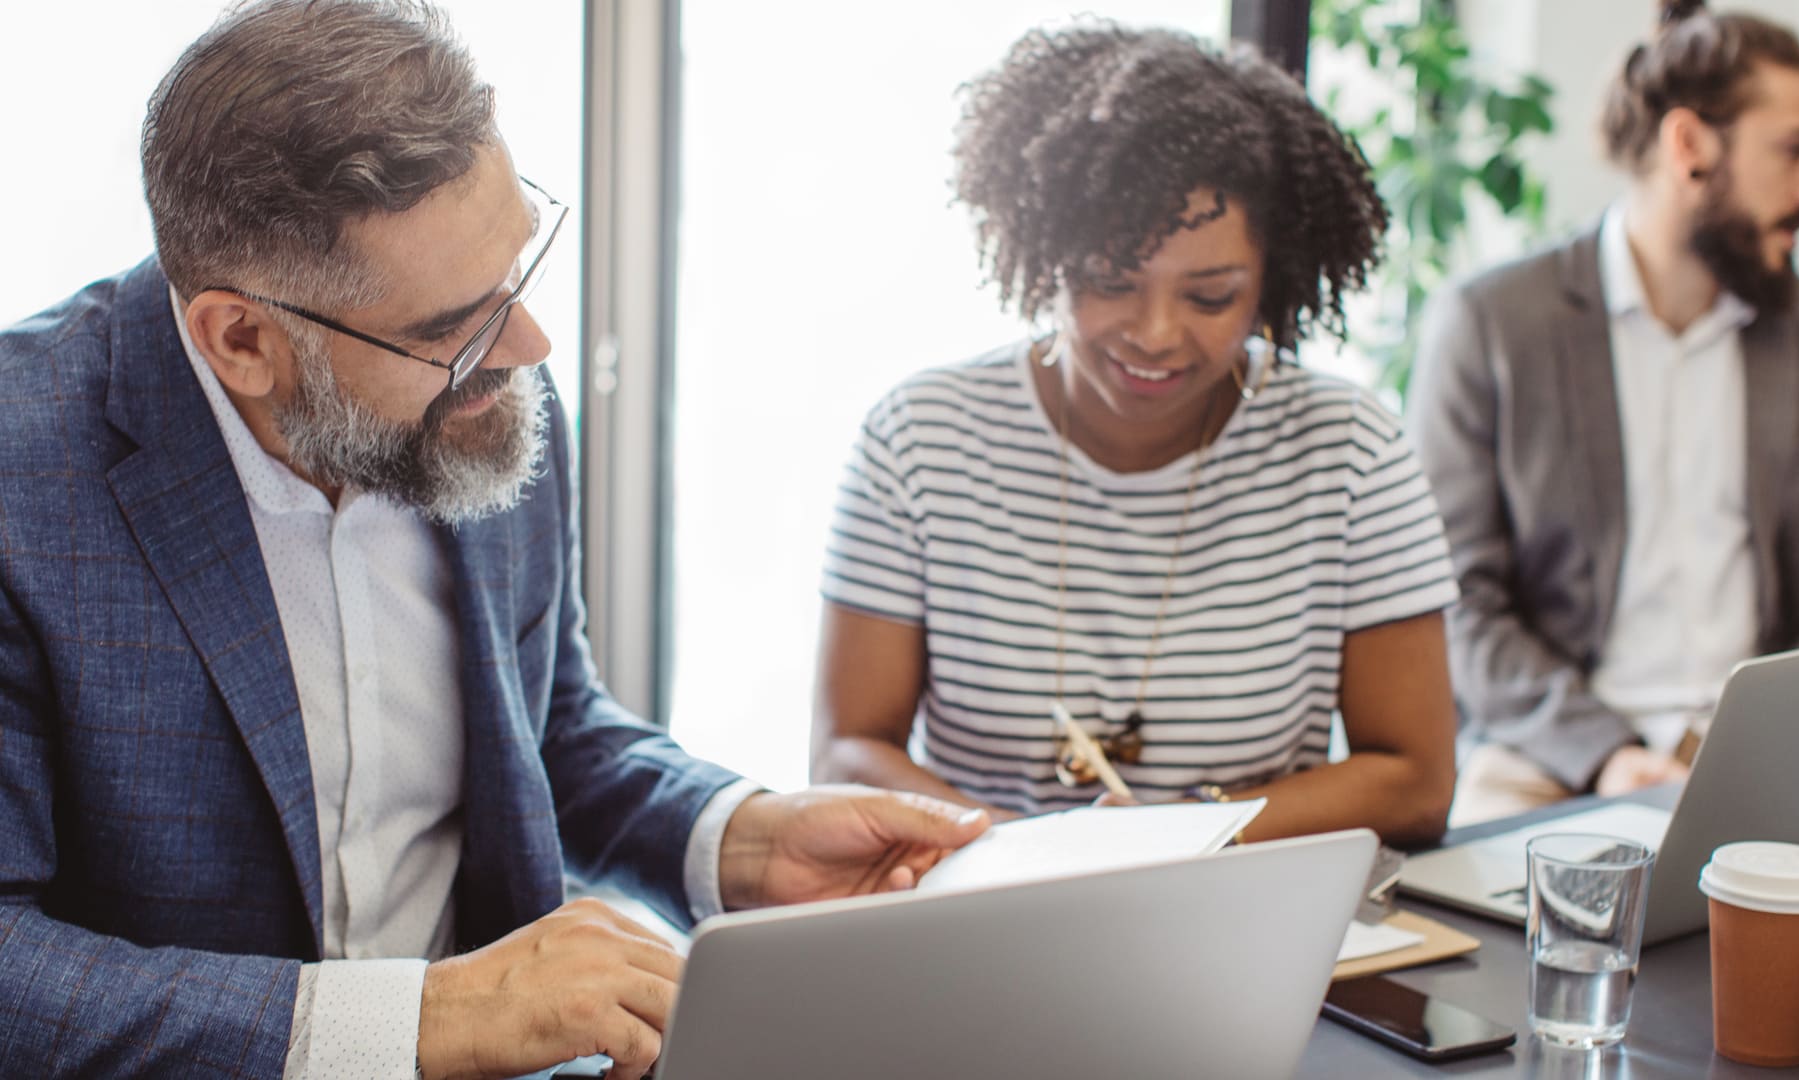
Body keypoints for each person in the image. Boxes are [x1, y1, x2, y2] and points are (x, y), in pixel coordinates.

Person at [0, 3, 989, 1077]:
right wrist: (425, 1020)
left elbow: (547, 727)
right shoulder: (21, 473)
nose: (528, 343)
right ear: (242, 338)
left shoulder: (486, 391)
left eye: (518, 266)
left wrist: (740, 837)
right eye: (447, 327)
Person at [811, 23, 1460, 849]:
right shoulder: (918, 439)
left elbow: (1416, 781)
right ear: (1046, 255)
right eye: (1111, 283)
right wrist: (1025, 855)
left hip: (1240, 919)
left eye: (1211, 296)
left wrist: (1183, 834)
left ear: (1271, 285)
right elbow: (845, 754)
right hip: (979, 910)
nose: (1156, 334)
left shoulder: (1349, 451)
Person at [1406, 0, 1799, 826]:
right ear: (1689, 147)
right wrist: (1605, 753)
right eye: (1795, 150)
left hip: (1758, 759)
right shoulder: (1492, 325)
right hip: (1548, 760)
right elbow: (1457, 600)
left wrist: (1754, 737)